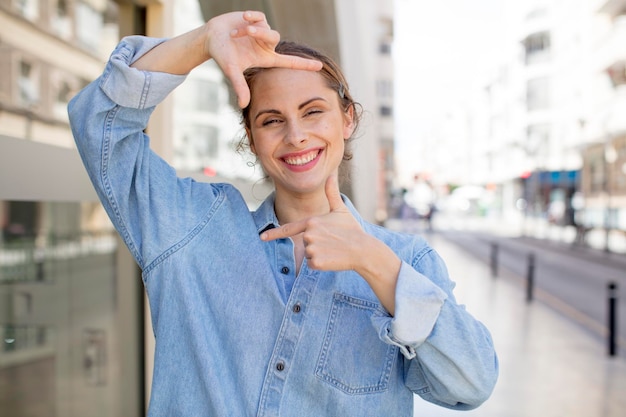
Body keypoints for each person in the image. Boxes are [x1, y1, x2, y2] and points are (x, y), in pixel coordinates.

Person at [68, 11, 498, 417]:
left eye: (313, 112)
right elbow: (99, 123)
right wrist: (201, 42)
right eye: (272, 120)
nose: (296, 136)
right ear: (251, 139)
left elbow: (471, 384)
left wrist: (373, 262)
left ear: (347, 119)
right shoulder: (191, 228)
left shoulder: (408, 261)